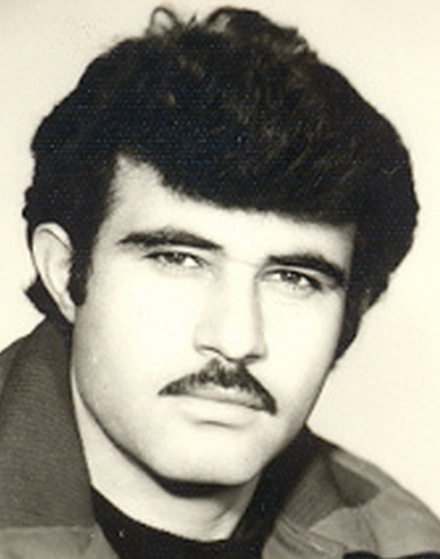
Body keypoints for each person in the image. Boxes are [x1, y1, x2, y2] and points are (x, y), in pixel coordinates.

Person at [0, 5, 440, 558]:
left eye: (294, 278)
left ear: (353, 311)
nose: (236, 339)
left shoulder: (403, 543)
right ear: (65, 273)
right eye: (179, 259)